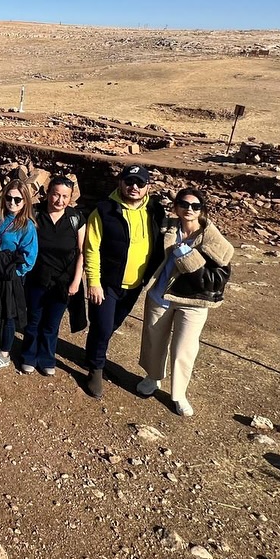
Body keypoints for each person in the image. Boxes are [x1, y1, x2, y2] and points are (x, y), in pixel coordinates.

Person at [137, 187, 234, 416]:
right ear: (176, 206)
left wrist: (186, 256)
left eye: (195, 206)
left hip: (193, 301)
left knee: (184, 349)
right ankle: (153, 377)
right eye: (184, 204)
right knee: (154, 340)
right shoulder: (168, 227)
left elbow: (222, 264)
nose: (189, 209)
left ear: (202, 209)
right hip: (160, 294)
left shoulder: (210, 236)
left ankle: (179, 394)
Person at [82, 164, 166, 398]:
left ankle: (92, 356)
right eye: (129, 182)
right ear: (120, 183)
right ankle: (95, 369)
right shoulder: (104, 210)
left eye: (140, 183)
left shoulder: (155, 211)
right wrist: (93, 281)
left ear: (147, 186)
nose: (134, 187)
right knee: (103, 326)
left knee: (112, 325)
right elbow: (92, 248)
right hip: (107, 283)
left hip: (134, 284)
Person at [21, 175, 85, 376]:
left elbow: (82, 252)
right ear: (47, 193)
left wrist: (76, 281)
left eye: (65, 196)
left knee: (51, 324)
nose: (60, 201)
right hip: (36, 278)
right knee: (33, 321)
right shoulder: (35, 214)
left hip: (63, 282)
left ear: (71, 197)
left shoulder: (76, 219)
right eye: (56, 195)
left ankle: (47, 358)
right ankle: (28, 356)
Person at [0, 178, 39, 371]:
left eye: (17, 200)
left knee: (7, 314)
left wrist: (13, 272)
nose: (12, 203)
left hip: (9, 276)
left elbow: (29, 258)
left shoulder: (27, 226)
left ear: (25, 202)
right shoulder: (0, 218)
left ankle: (4, 353)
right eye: (8, 198)